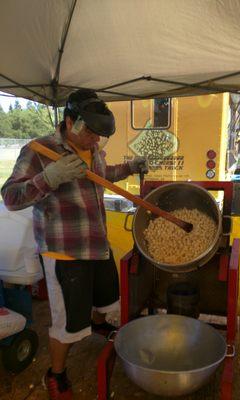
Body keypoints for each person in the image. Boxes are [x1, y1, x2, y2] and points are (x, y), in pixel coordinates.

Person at [1, 89, 148, 400]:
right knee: (67, 323)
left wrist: (131, 167)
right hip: (64, 252)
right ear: (69, 121)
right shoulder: (39, 150)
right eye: (91, 134)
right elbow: (10, 197)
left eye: (100, 137)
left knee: (105, 301)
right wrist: (49, 178)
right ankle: (56, 374)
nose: (95, 141)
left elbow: (103, 176)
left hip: (97, 244)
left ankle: (96, 327)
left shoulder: (91, 149)